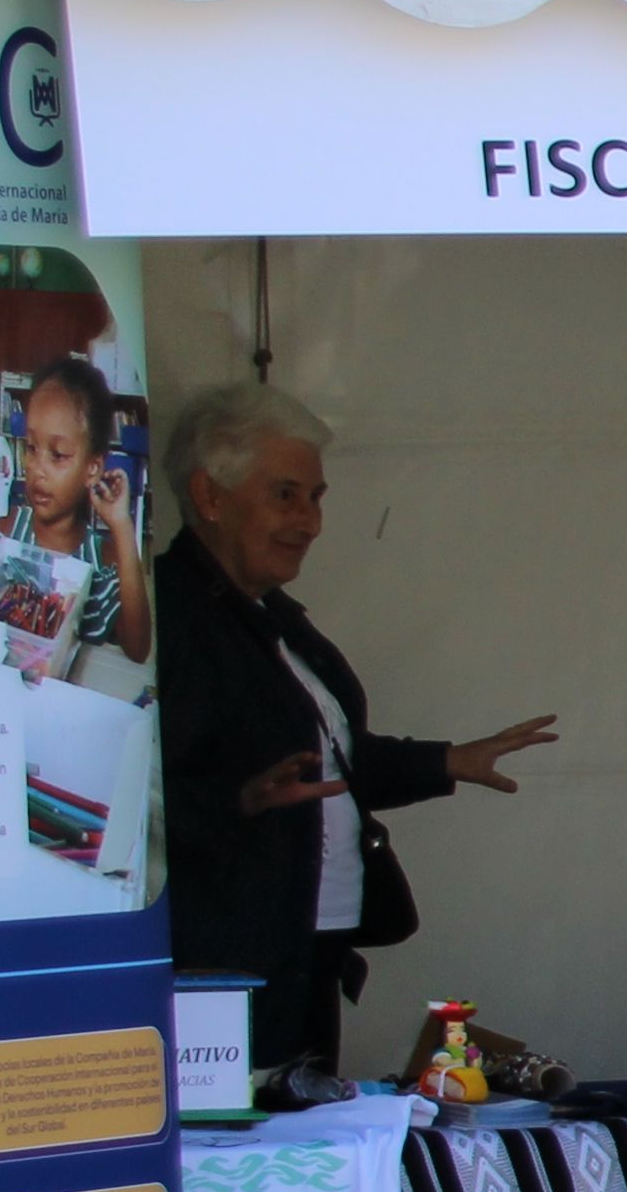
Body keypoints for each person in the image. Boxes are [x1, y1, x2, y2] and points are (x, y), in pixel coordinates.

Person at [154, 387, 559, 1080]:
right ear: (210, 496)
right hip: (226, 965)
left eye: (316, 498)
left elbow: (329, 765)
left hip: (308, 946)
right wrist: (239, 802)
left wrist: (449, 762)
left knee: (310, 1137)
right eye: (286, 495)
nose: (309, 522)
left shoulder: (274, 620)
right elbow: (132, 801)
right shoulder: (171, 619)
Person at [0, 355, 153, 682]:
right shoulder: (9, 531)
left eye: (58, 455)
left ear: (92, 468)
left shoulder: (102, 560)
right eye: (31, 448)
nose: (37, 468)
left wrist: (121, 526)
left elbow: (138, 648)